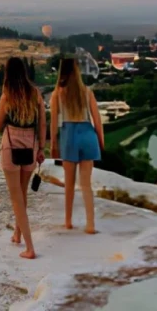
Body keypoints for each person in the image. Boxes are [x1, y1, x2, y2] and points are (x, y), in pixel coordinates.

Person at [0, 56, 46, 259]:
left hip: (10, 145)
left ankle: (30, 247)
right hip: (31, 145)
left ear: (8, 73)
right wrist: (41, 148)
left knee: (16, 198)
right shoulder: (36, 93)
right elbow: (43, 124)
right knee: (22, 193)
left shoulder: (7, 96)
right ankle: (17, 234)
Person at [50, 56, 104, 234]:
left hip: (69, 135)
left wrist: (53, 144)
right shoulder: (87, 92)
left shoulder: (58, 92)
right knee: (86, 184)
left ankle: (68, 221)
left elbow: (53, 122)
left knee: (70, 184)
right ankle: (91, 224)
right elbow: (97, 120)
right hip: (88, 134)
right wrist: (101, 142)